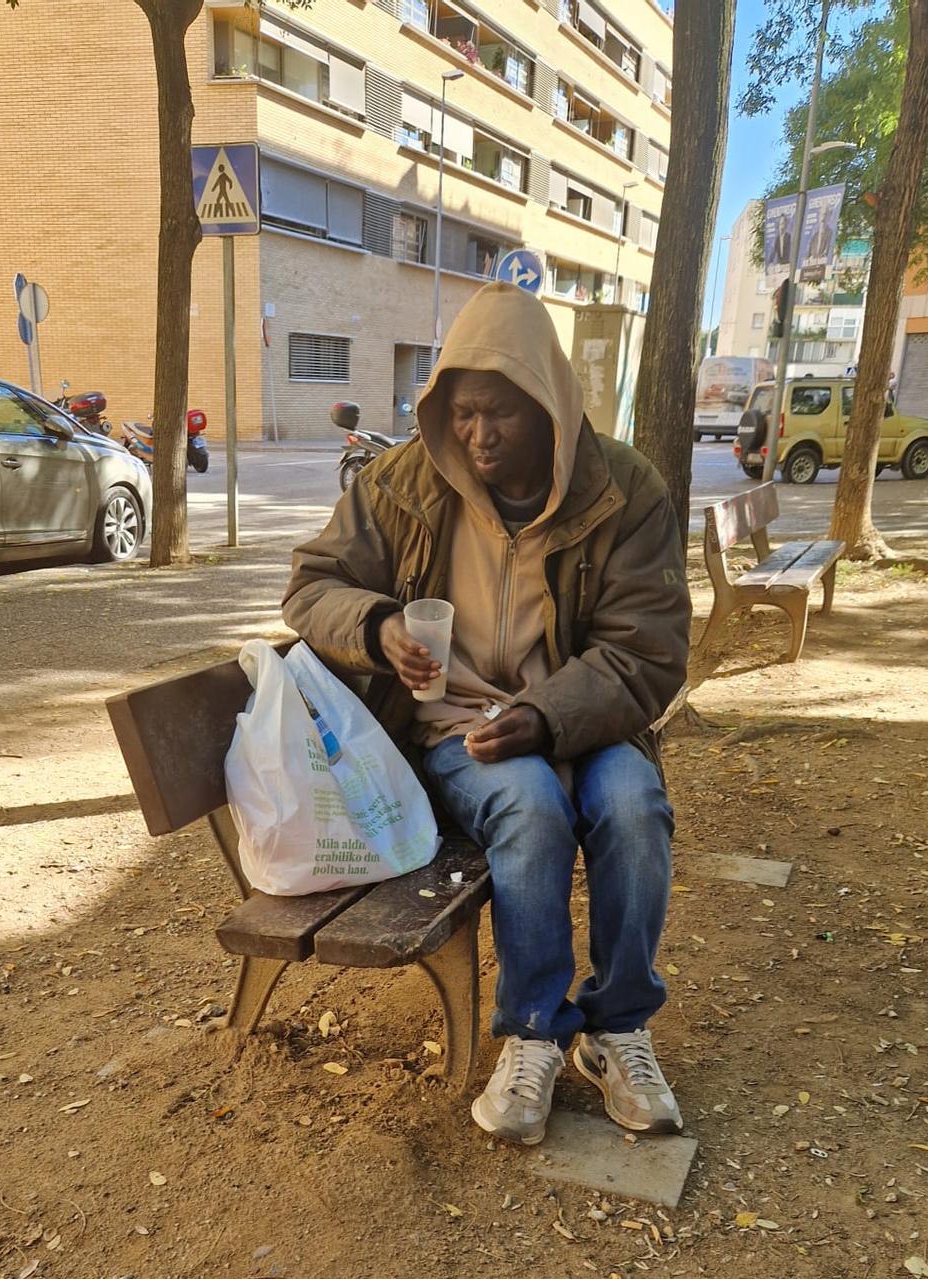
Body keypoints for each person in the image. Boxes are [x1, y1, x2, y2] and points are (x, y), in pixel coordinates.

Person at [283, 282, 691, 1144]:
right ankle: (534, 1030)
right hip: (455, 722)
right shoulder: (400, 485)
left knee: (633, 805)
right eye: (463, 413)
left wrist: (547, 716)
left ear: (550, 403)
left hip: (588, 716)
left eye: (502, 413)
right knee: (529, 804)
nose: (479, 435)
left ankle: (618, 1029)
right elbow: (310, 587)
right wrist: (378, 624)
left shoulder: (626, 490)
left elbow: (647, 649)